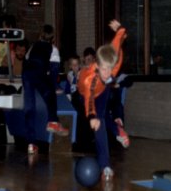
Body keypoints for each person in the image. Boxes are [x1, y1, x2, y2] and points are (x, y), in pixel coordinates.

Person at [77, 20, 129, 181]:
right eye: (104, 69)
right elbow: (89, 100)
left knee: (102, 120)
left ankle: (105, 165)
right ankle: (117, 129)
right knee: (99, 119)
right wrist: (92, 117)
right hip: (86, 93)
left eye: (110, 69)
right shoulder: (90, 78)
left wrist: (120, 30)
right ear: (97, 65)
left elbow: (117, 42)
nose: (107, 73)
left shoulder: (113, 64)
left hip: (103, 89)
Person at [22, 24, 68, 155]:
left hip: (26, 76)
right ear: (52, 38)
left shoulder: (32, 46)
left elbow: (26, 62)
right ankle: (53, 121)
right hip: (39, 73)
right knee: (50, 94)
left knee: (29, 109)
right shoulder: (53, 49)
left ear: (40, 35)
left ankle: (31, 144)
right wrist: (54, 87)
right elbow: (54, 70)